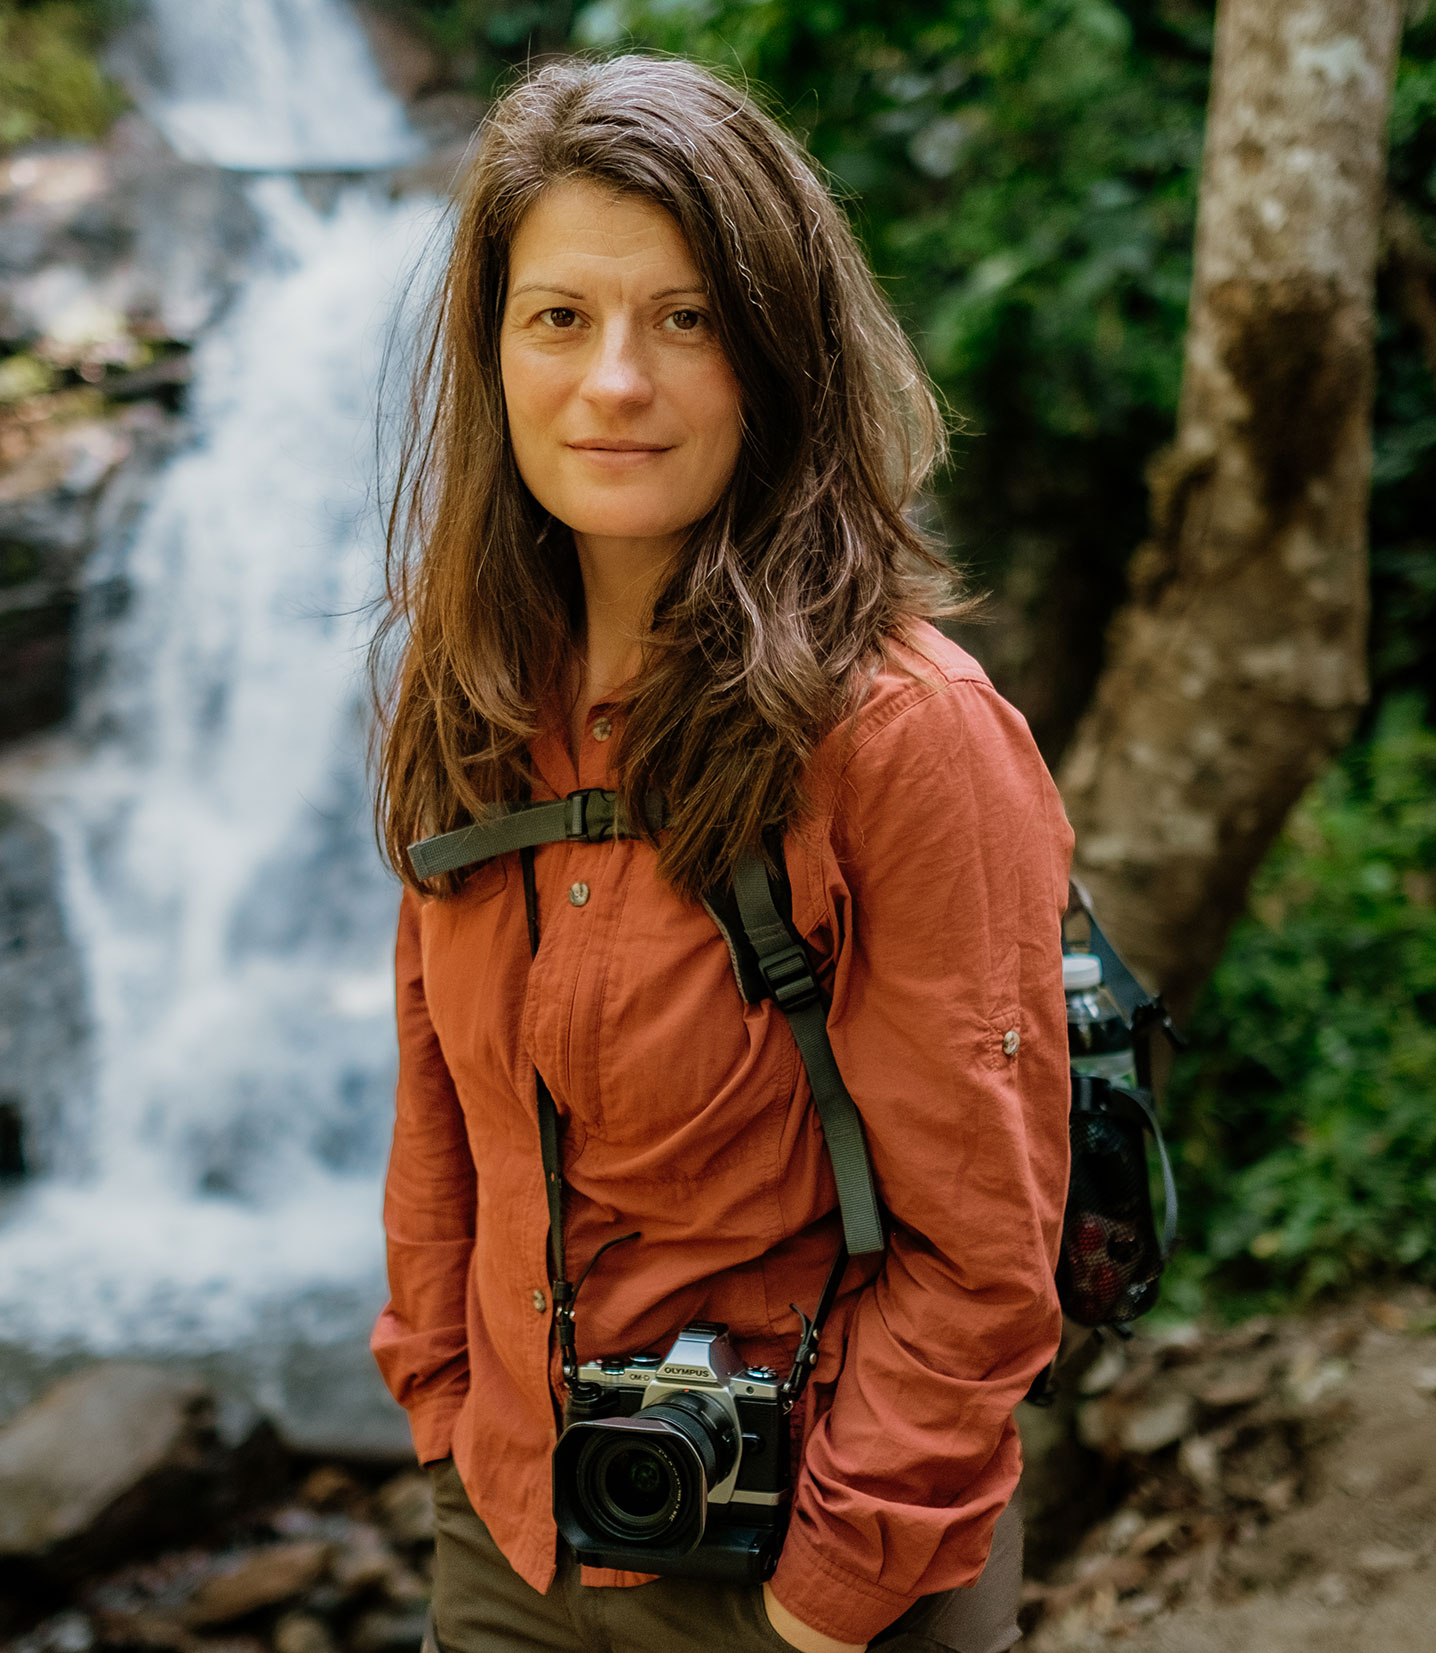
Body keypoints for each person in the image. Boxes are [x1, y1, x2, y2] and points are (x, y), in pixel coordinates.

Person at [368, 53, 1072, 1653]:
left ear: (776, 353)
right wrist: (447, 1407)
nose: (615, 380)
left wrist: (824, 1600)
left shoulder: (902, 738)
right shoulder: (475, 689)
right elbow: (442, 1102)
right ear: (492, 354)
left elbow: (987, 1241)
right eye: (560, 317)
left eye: (685, 318)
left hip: (809, 1563)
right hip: (511, 1541)